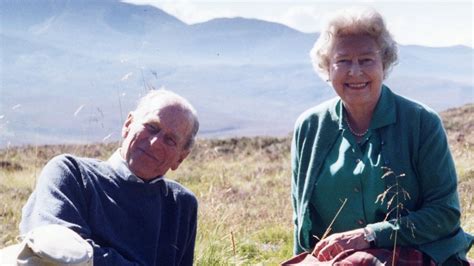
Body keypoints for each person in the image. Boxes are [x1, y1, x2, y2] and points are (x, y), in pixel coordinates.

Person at [290, 8, 473, 265]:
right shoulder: (310, 127)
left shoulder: (422, 122)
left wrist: (369, 236)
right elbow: (301, 219)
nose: (355, 72)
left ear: (384, 64)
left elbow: (445, 214)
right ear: (327, 67)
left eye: (366, 60)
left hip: (418, 252)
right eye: (343, 61)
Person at [19, 89, 200, 265]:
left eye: (170, 140)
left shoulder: (180, 204)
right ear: (128, 124)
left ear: (180, 158)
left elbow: (86, 259)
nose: (154, 143)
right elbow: (57, 251)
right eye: (152, 127)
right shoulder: (71, 173)